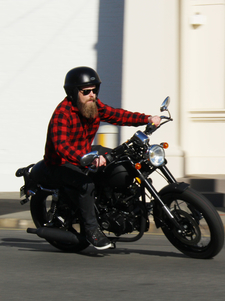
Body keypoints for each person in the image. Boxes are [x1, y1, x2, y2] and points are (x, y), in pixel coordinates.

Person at [43, 66, 161, 250]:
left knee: (120, 161)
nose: (92, 94)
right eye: (86, 91)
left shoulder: (93, 106)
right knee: (86, 184)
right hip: (61, 162)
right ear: (74, 92)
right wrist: (87, 158)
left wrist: (147, 118)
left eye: (94, 90)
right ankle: (92, 231)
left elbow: (118, 115)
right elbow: (62, 147)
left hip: (85, 152)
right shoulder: (62, 115)